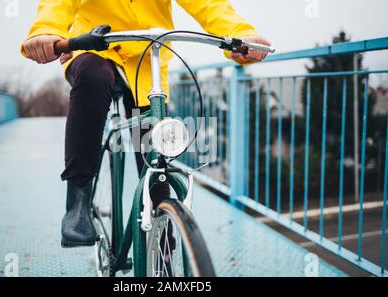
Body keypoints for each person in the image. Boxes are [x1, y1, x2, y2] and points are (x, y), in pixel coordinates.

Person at [21, 0, 271, 248]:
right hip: (94, 47)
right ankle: (78, 201)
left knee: (153, 149)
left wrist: (240, 34)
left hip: (145, 58)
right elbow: (58, 3)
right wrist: (46, 32)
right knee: (93, 76)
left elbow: (209, 4)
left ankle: (161, 234)